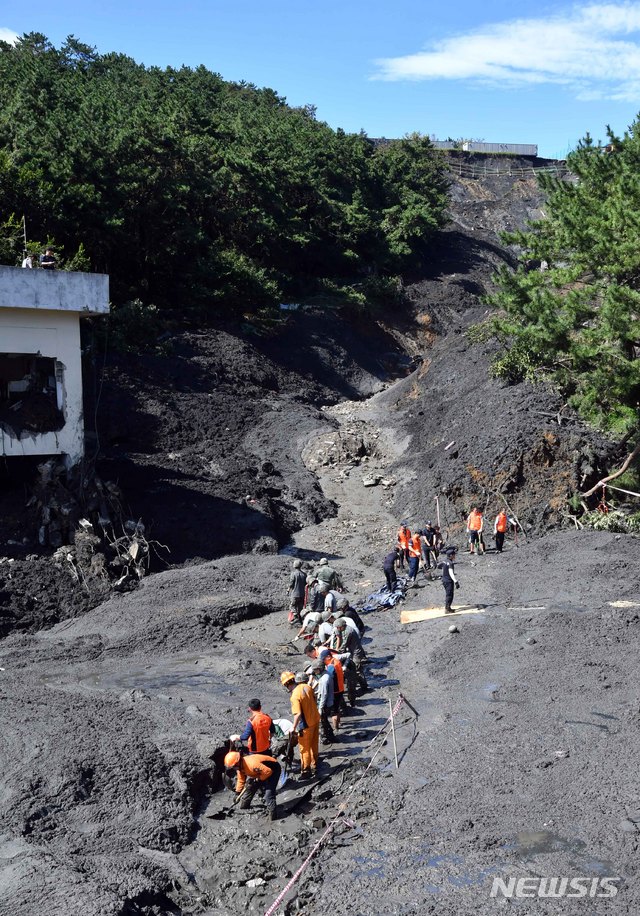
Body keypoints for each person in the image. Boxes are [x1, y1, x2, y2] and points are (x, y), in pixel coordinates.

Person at [281, 670, 320, 779]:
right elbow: (314, 699)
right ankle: (314, 764)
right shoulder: (307, 687)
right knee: (314, 744)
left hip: (306, 725)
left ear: (286, 685)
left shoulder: (294, 696)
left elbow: (298, 714)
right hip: (315, 720)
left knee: (304, 749)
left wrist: (293, 728)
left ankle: (306, 771)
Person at [224, 749, 281, 821]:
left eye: (233, 767)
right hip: (261, 771)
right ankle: (245, 807)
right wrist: (237, 793)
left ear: (237, 763)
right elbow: (241, 779)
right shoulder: (240, 767)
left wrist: (258, 779)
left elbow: (268, 772)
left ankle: (273, 816)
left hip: (273, 769)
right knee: (250, 787)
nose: (233, 769)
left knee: (269, 794)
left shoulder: (251, 764)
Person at [331, 619, 368, 691]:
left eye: (338, 628)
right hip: (352, 651)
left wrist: (336, 652)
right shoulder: (345, 630)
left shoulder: (348, 631)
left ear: (341, 626)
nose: (338, 629)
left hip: (356, 653)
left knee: (357, 669)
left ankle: (363, 686)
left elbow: (344, 644)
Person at [306, 659, 335, 744]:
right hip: (329, 701)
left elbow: (323, 695)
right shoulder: (326, 674)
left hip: (325, 704)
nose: (314, 671)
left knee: (322, 722)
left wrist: (320, 709)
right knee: (325, 721)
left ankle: (325, 739)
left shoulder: (324, 680)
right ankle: (331, 736)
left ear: (320, 668)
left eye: (315, 670)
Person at [438, 547, 459, 613]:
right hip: (448, 581)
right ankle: (447, 609)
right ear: (451, 555)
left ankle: (448, 607)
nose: (454, 556)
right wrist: (456, 581)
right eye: (454, 554)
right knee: (449, 595)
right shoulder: (450, 563)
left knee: (448, 594)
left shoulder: (444, 561)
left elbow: (439, 566)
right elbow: (451, 573)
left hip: (444, 579)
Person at [288, 559, 307, 625]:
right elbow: (306, 584)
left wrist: (288, 590)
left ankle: (296, 617)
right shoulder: (304, 574)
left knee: (292, 606)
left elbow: (291, 584)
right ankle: (300, 620)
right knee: (300, 608)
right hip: (302, 594)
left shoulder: (293, 574)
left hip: (295, 594)